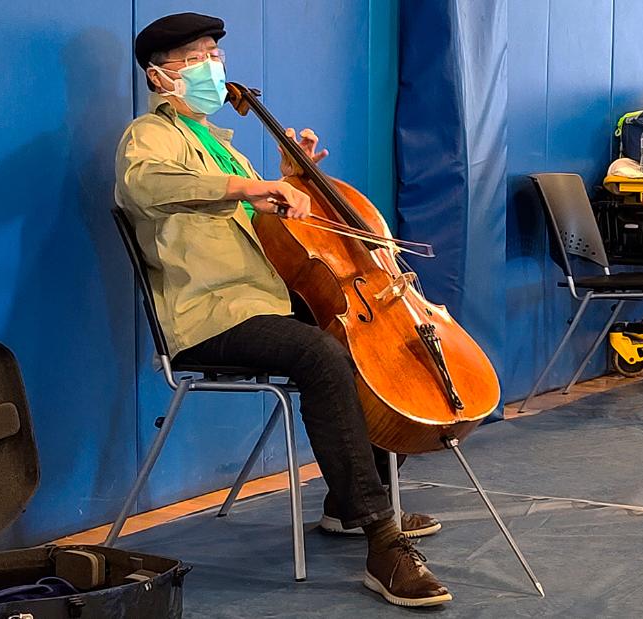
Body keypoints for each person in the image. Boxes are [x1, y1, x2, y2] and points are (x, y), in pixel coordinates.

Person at [114, 12, 450, 607]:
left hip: (261, 305)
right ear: (160, 76)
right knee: (318, 351)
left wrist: (292, 175)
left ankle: (347, 506)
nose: (213, 66)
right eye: (195, 59)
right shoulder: (151, 135)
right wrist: (249, 189)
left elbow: (274, 233)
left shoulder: (224, 147)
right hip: (209, 318)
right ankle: (381, 538)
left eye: (214, 54)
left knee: (354, 343)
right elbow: (144, 187)